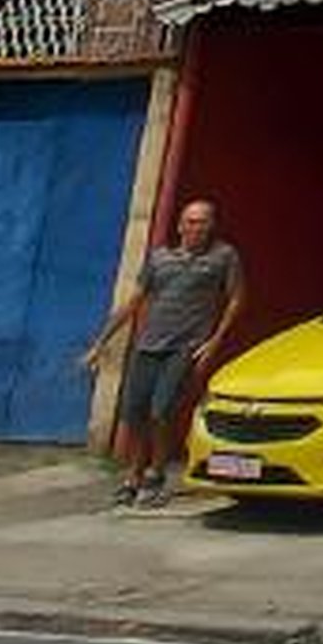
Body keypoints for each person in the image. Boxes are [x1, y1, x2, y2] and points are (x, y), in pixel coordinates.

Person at [86, 197, 242, 503]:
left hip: (184, 347)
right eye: (191, 221)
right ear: (180, 225)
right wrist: (100, 342)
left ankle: (156, 475)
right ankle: (133, 475)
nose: (196, 227)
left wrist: (214, 341)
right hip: (148, 344)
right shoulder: (160, 259)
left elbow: (236, 298)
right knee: (134, 413)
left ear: (211, 226)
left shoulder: (223, 257)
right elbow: (135, 301)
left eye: (202, 221)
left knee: (161, 411)